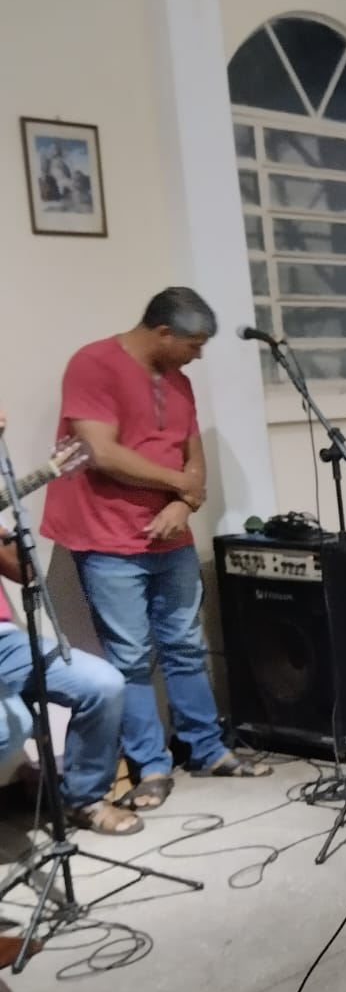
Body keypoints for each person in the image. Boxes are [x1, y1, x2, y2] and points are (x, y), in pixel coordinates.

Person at [40, 287, 271, 812]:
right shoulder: (93, 364)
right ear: (164, 332)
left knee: (186, 645)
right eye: (194, 343)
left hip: (171, 535)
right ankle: (151, 766)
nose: (198, 355)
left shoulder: (178, 381)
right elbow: (100, 453)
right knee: (130, 656)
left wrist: (184, 505)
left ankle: (207, 749)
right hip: (108, 537)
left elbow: (194, 457)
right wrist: (181, 485)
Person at [0, 414, 131, 835]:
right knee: (10, 726)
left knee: (104, 684)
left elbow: (27, 574)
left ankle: (83, 798)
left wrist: (4, 534)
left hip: (5, 643)